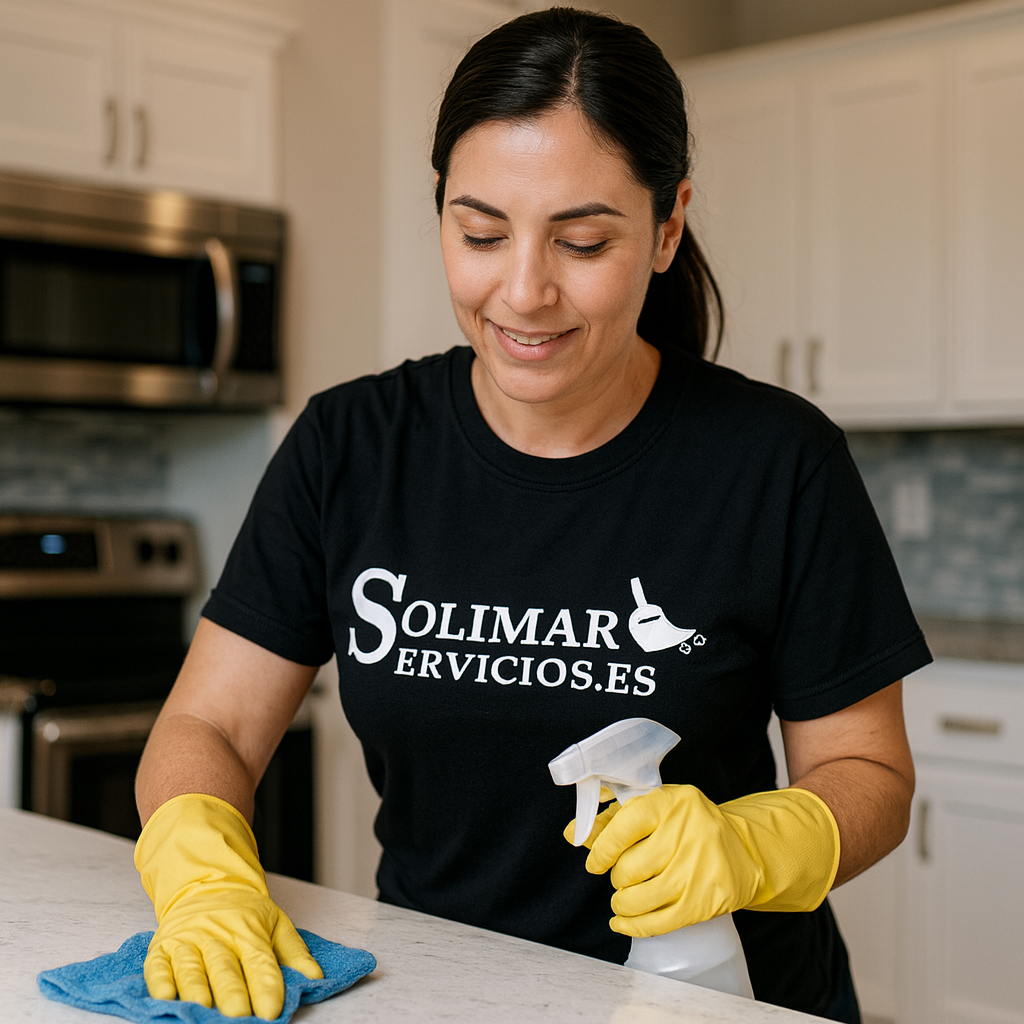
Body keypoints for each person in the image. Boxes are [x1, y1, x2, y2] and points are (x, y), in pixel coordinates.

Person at [133, 8, 930, 1023]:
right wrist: (202, 869)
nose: (522, 290)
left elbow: (868, 773)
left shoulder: (777, 460)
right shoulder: (351, 447)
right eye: (478, 232)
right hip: (442, 998)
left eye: (583, 240)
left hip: (719, 1000)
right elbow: (210, 722)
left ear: (667, 225)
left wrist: (754, 844)